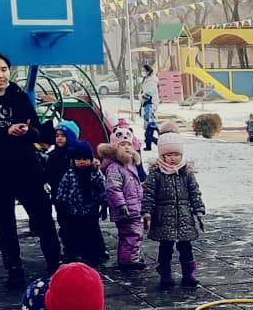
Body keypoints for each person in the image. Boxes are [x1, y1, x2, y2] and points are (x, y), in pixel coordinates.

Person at [0, 51, 62, 289]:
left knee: (42, 215)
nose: (0, 74)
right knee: (4, 221)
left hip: (25, 166)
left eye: (4, 69)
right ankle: (14, 267)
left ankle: (55, 263)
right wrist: (5, 132)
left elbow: (37, 130)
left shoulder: (18, 94)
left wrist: (28, 132)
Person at [141, 131, 205, 289]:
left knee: (186, 247)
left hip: (184, 217)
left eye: (176, 154)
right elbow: (148, 194)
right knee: (166, 248)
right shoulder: (156, 174)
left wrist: (199, 211)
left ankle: (189, 274)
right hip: (164, 219)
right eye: (169, 154)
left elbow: (194, 193)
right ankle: (165, 274)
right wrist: (147, 212)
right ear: (162, 155)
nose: (173, 158)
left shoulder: (186, 173)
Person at [98, 124, 146, 270]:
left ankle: (129, 256)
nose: (127, 148)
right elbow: (113, 188)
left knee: (129, 234)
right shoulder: (114, 167)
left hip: (133, 207)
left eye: (129, 145)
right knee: (132, 234)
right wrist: (121, 205)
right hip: (125, 209)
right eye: (122, 145)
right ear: (114, 148)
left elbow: (137, 185)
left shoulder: (129, 164)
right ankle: (129, 260)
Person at [53, 141, 108, 266]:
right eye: (78, 159)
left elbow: (102, 189)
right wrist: (61, 203)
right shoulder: (70, 174)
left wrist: (104, 203)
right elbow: (63, 189)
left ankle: (95, 253)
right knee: (74, 233)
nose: (82, 162)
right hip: (73, 211)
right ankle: (74, 253)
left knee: (92, 233)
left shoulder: (95, 173)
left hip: (91, 210)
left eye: (85, 159)